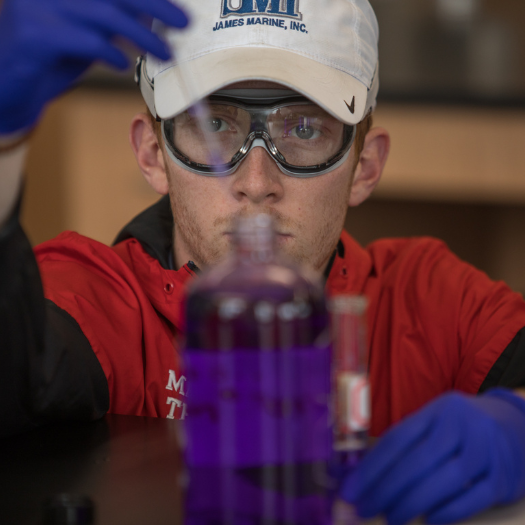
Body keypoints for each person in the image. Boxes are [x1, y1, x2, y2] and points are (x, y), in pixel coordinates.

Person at [2, 0, 525, 524]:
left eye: (303, 130)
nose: (256, 185)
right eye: (215, 128)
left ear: (365, 166)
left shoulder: (430, 303)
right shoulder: (101, 302)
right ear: (152, 154)